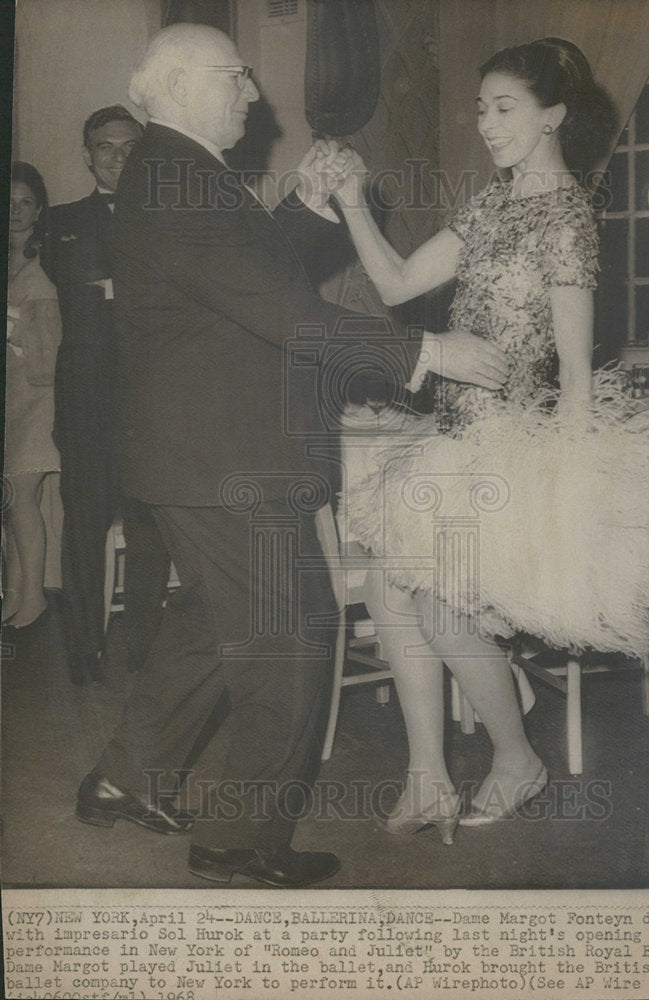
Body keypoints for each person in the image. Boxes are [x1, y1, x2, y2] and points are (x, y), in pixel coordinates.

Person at [74, 22, 511, 887]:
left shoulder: (179, 172)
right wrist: (425, 352)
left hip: (198, 456)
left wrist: (307, 209)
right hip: (224, 457)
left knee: (210, 625)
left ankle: (126, 780)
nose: (254, 93)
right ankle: (240, 841)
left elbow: (250, 282)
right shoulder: (178, 176)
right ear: (185, 81)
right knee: (291, 632)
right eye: (238, 76)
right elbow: (287, 317)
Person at [328, 38, 649, 836]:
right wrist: (353, 201)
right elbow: (394, 284)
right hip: (449, 436)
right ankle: (426, 777)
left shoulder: (565, 216)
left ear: (552, 115)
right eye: (480, 108)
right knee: (395, 592)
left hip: (505, 447)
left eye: (503, 108)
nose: (484, 123)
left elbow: (575, 371)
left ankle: (517, 757)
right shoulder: (492, 204)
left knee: (442, 609)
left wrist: (567, 488)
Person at [48, 105, 171, 683]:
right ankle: (82, 654)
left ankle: (143, 653)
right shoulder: (62, 221)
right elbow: (76, 288)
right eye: (106, 148)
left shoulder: (171, 219)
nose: (119, 159)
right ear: (87, 154)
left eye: (130, 148)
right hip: (87, 410)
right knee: (84, 529)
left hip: (154, 408)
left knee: (151, 533)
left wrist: (116, 287)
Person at [3, 162, 62, 628]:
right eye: (10, 201)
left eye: (26, 202)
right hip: (14, 402)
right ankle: (16, 595)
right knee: (13, 501)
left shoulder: (41, 270)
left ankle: (35, 598)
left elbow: (45, 360)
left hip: (36, 402)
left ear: (39, 210)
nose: (17, 210)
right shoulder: (13, 264)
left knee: (20, 498)